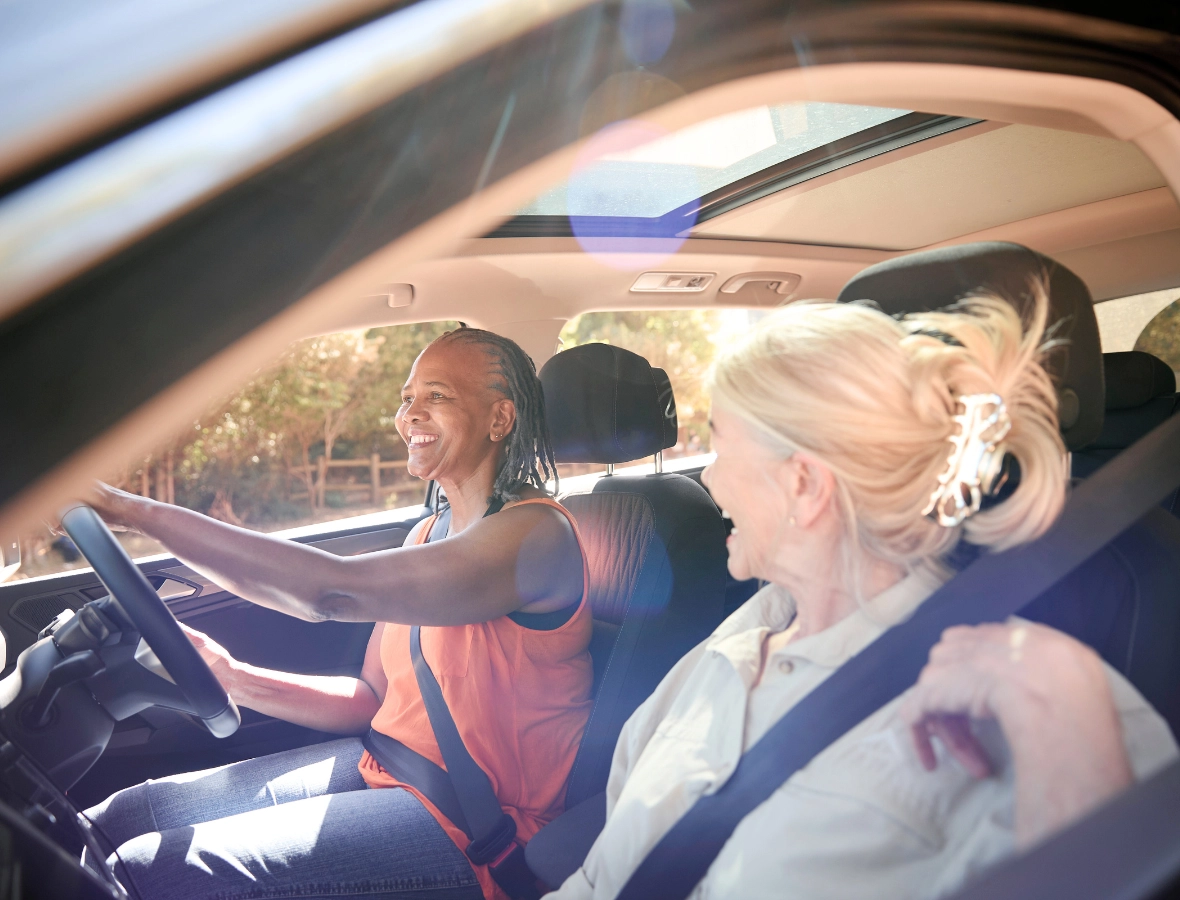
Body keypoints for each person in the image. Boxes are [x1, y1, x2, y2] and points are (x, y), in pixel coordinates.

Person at [548, 287, 1179, 900]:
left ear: (804, 486)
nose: (708, 476)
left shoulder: (1048, 707)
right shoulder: (724, 651)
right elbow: (599, 880)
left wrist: (1064, 721)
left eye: (721, 443)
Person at [82, 328, 593, 900]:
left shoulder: (535, 535)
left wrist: (131, 512)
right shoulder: (426, 533)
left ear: (500, 419)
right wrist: (231, 676)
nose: (409, 415)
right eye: (406, 397)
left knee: (155, 873)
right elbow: (370, 700)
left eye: (438, 396)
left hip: (479, 827)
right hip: (385, 767)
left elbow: (330, 593)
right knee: (120, 819)